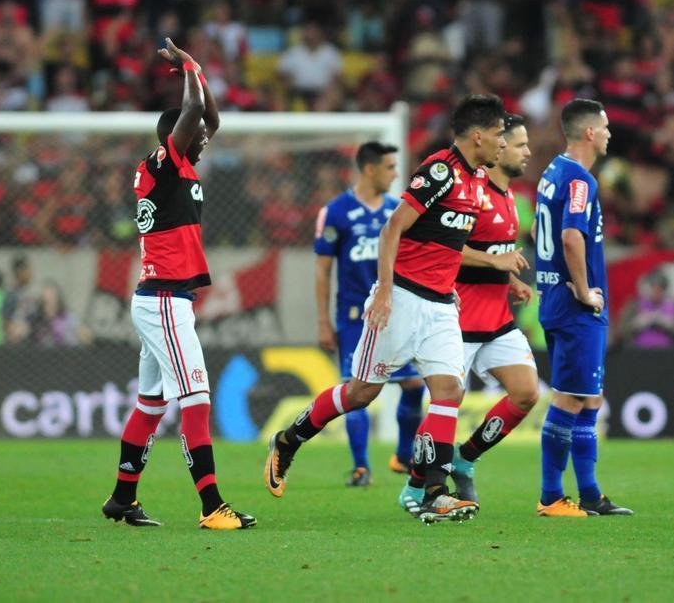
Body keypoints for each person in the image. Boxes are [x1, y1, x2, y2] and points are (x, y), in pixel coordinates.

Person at [264, 94, 508, 524]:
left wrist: (459, 275)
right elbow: (393, 227)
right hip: (403, 298)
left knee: (449, 390)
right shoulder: (439, 172)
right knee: (362, 392)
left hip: (440, 304)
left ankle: (432, 490)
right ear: (477, 135)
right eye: (500, 134)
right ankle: (289, 439)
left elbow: (445, 242)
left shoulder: (477, 180)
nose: (503, 143)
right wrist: (385, 292)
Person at [101, 38, 256, 531]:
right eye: (194, 137)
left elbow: (210, 119)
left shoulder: (178, 165)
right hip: (164, 299)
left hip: (165, 299)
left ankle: (122, 500)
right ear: (175, 138)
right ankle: (212, 505)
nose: (204, 140)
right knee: (196, 397)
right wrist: (187, 67)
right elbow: (193, 112)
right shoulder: (162, 163)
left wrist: (200, 70)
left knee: (151, 403)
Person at [533, 98, 632, 517]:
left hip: (555, 298)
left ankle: (590, 494)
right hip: (575, 306)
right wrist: (585, 289)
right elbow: (572, 238)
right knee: (571, 398)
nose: (609, 133)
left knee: (589, 397)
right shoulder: (580, 181)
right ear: (590, 132)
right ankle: (551, 496)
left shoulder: (552, 172)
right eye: (605, 127)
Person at [313, 141, 426, 487]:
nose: (396, 174)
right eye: (390, 168)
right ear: (369, 169)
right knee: (356, 389)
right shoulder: (335, 212)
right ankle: (361, 467)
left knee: (413, 383)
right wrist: (323, 321)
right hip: (353, 317)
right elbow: (322, 271)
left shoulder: (397, 210)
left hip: (395, 312)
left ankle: (404, 454)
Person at [447, 114, 539, 504]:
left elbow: (495, 253)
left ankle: (465, 459)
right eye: (519, 145)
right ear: (499, 149)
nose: (527, 152)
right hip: (458, 320)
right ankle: (417, 487)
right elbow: (447, 249)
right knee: (445, 406)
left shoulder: (513, 201)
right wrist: (496, 264)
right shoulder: (472, 193)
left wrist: (510, 280)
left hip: (497, 319)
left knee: (526, 394)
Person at [621, 271, 674, 348]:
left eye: (660, 290)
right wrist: (637, 323)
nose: (656, 293)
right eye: (653, 289)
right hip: (640, 352)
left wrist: (671, 325)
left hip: (668, 351)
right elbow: (622, 331)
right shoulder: (635, 304)